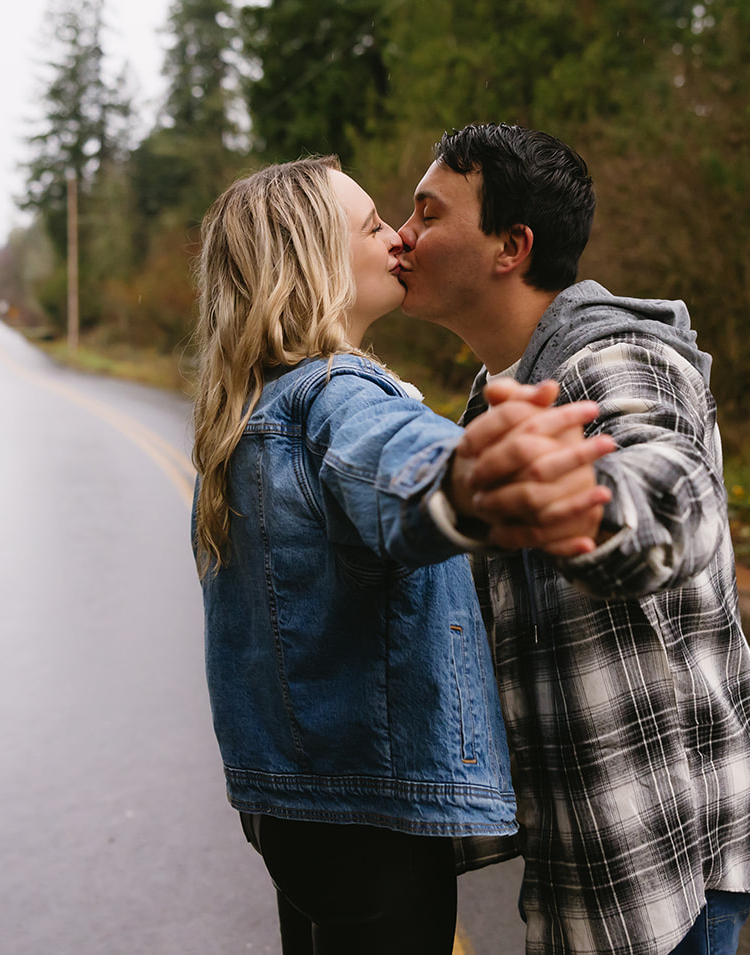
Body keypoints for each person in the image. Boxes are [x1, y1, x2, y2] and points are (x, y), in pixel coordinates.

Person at [190, 156, 615, 955]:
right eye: (372, 224)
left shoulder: (256, 406)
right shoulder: (337, 392)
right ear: (312, 263)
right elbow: (394, 461)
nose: (398, 237)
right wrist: (468, 477)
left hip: (293, 810)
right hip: (372, 823)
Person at [395, 124, 750, 955]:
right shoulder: (500, 392)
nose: (403, 235)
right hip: (591, 852)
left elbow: (676, 491)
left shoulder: (615, 357)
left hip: (658, 854)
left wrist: (590, 505)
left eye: (427, 213)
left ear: (512, 245)